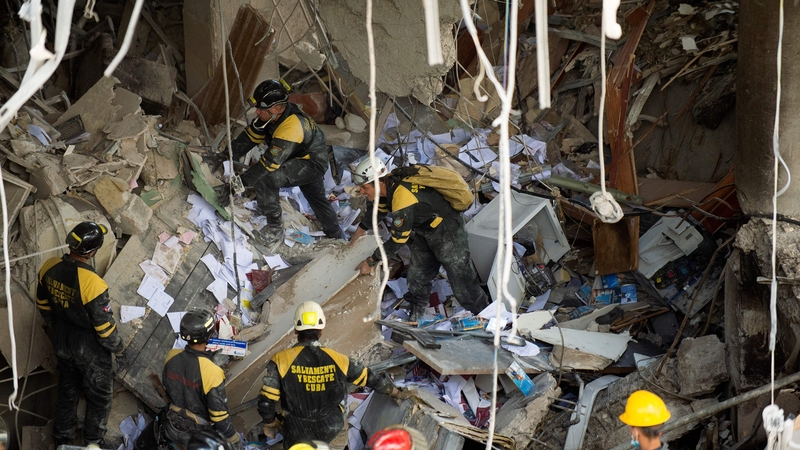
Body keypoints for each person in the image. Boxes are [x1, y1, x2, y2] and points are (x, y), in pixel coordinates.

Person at [351, 159, 489, 321]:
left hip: (448, 232)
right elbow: (377, 212)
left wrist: (371, 261)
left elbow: (397, 240)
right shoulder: (386, 189)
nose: (361, 192)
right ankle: (416, 316)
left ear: (378, 182)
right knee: (417, 276)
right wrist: (357, 235)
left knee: (462, 282)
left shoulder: (402, 197)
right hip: (426, 231)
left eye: (365, 187)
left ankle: (485, 316)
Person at [257, 301, 401, 448]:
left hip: (297, 430)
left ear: (295, 329)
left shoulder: (281, 360)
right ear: (321, 330)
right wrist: (395, 392)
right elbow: (370, 378)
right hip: (331, 426)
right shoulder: (339, 360)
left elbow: (266, 401)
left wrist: (269, 422)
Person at [225, 79, 344, 244]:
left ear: (275, 108)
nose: (257, 112)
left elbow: (268, 165)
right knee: (317, 198)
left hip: (311, 163)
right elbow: (250, 137)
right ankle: (337, 236)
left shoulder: (292, 126)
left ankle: (275, 229)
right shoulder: (270, 117)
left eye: (261, 108)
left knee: (267, 180)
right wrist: (224, 156)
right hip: (299, 157)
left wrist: (237, 186)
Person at [36, 221, 123, 447]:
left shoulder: (48, 267)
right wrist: (119, 348)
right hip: (88, 348)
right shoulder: (92, 283)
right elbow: (104, 329)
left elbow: (43, 305)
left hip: (62, 340)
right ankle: (92, 442)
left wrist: (58, 327)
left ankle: (62, 437)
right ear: (93, 251)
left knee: (68, 389)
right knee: (99, 396)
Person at [161, 309, 242, 450]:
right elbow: (220, 417)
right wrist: (234, 441)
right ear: (210, 335)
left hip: (171, 425)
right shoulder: (212, 372)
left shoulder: (171, 356)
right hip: (197, 436)